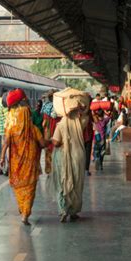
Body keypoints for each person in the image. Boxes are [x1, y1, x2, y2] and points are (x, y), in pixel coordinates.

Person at [0, 88, 49, 225]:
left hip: (16, 164)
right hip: (31, 163)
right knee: (29, 188)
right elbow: (43, 144)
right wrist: (48, 137)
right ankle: (25, 213)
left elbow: (5, 144)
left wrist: (2, 158)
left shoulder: (12, 128)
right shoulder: (33, 129)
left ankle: (22, 208)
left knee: (19, 187)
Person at [49, 88, 89, 222]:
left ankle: (63, 210)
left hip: (64, 157)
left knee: (63, 183)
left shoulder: (61, 125)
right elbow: (86, 114)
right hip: (78, 156)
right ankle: (73, 211)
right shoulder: (81, 123)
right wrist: (81, 108)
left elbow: (55, 142)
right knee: (77, 184)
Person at [41, 91, 58, 175]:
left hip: (48, 133)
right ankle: (56, 169)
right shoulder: (60, 108)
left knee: (48, 151)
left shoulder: (46, 108)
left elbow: (44, 123)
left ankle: (48, 169)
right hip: (58, 134)